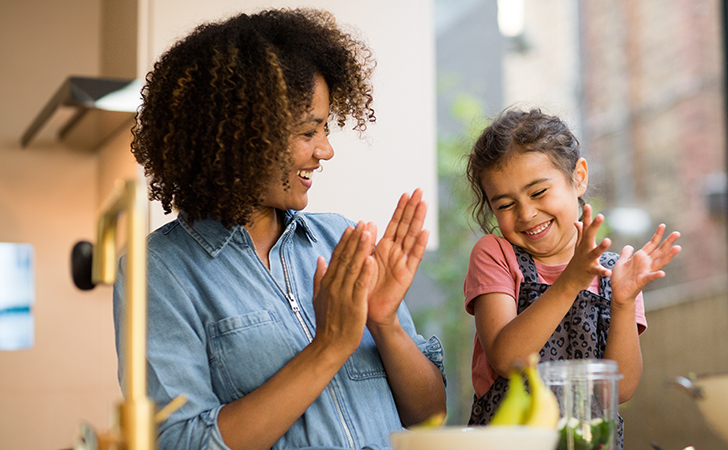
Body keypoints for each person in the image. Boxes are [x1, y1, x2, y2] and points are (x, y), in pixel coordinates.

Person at [113, 8, 446, 450]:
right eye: (309, 132)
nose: (325, 150)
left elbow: (430, 417)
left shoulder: (340, 241)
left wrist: (386, 324)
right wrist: (328, 346)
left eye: (325, 128)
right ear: (242, 134)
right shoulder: (159, 272)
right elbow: (182, 442)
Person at [462, 108, 680, 445]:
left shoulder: (614, 273)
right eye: (505, 204)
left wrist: (622, 302)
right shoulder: (496, 254)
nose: (526, 213)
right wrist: (571, 282)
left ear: (578, 177)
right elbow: (507, 359)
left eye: (537, 193)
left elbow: (620, 390)